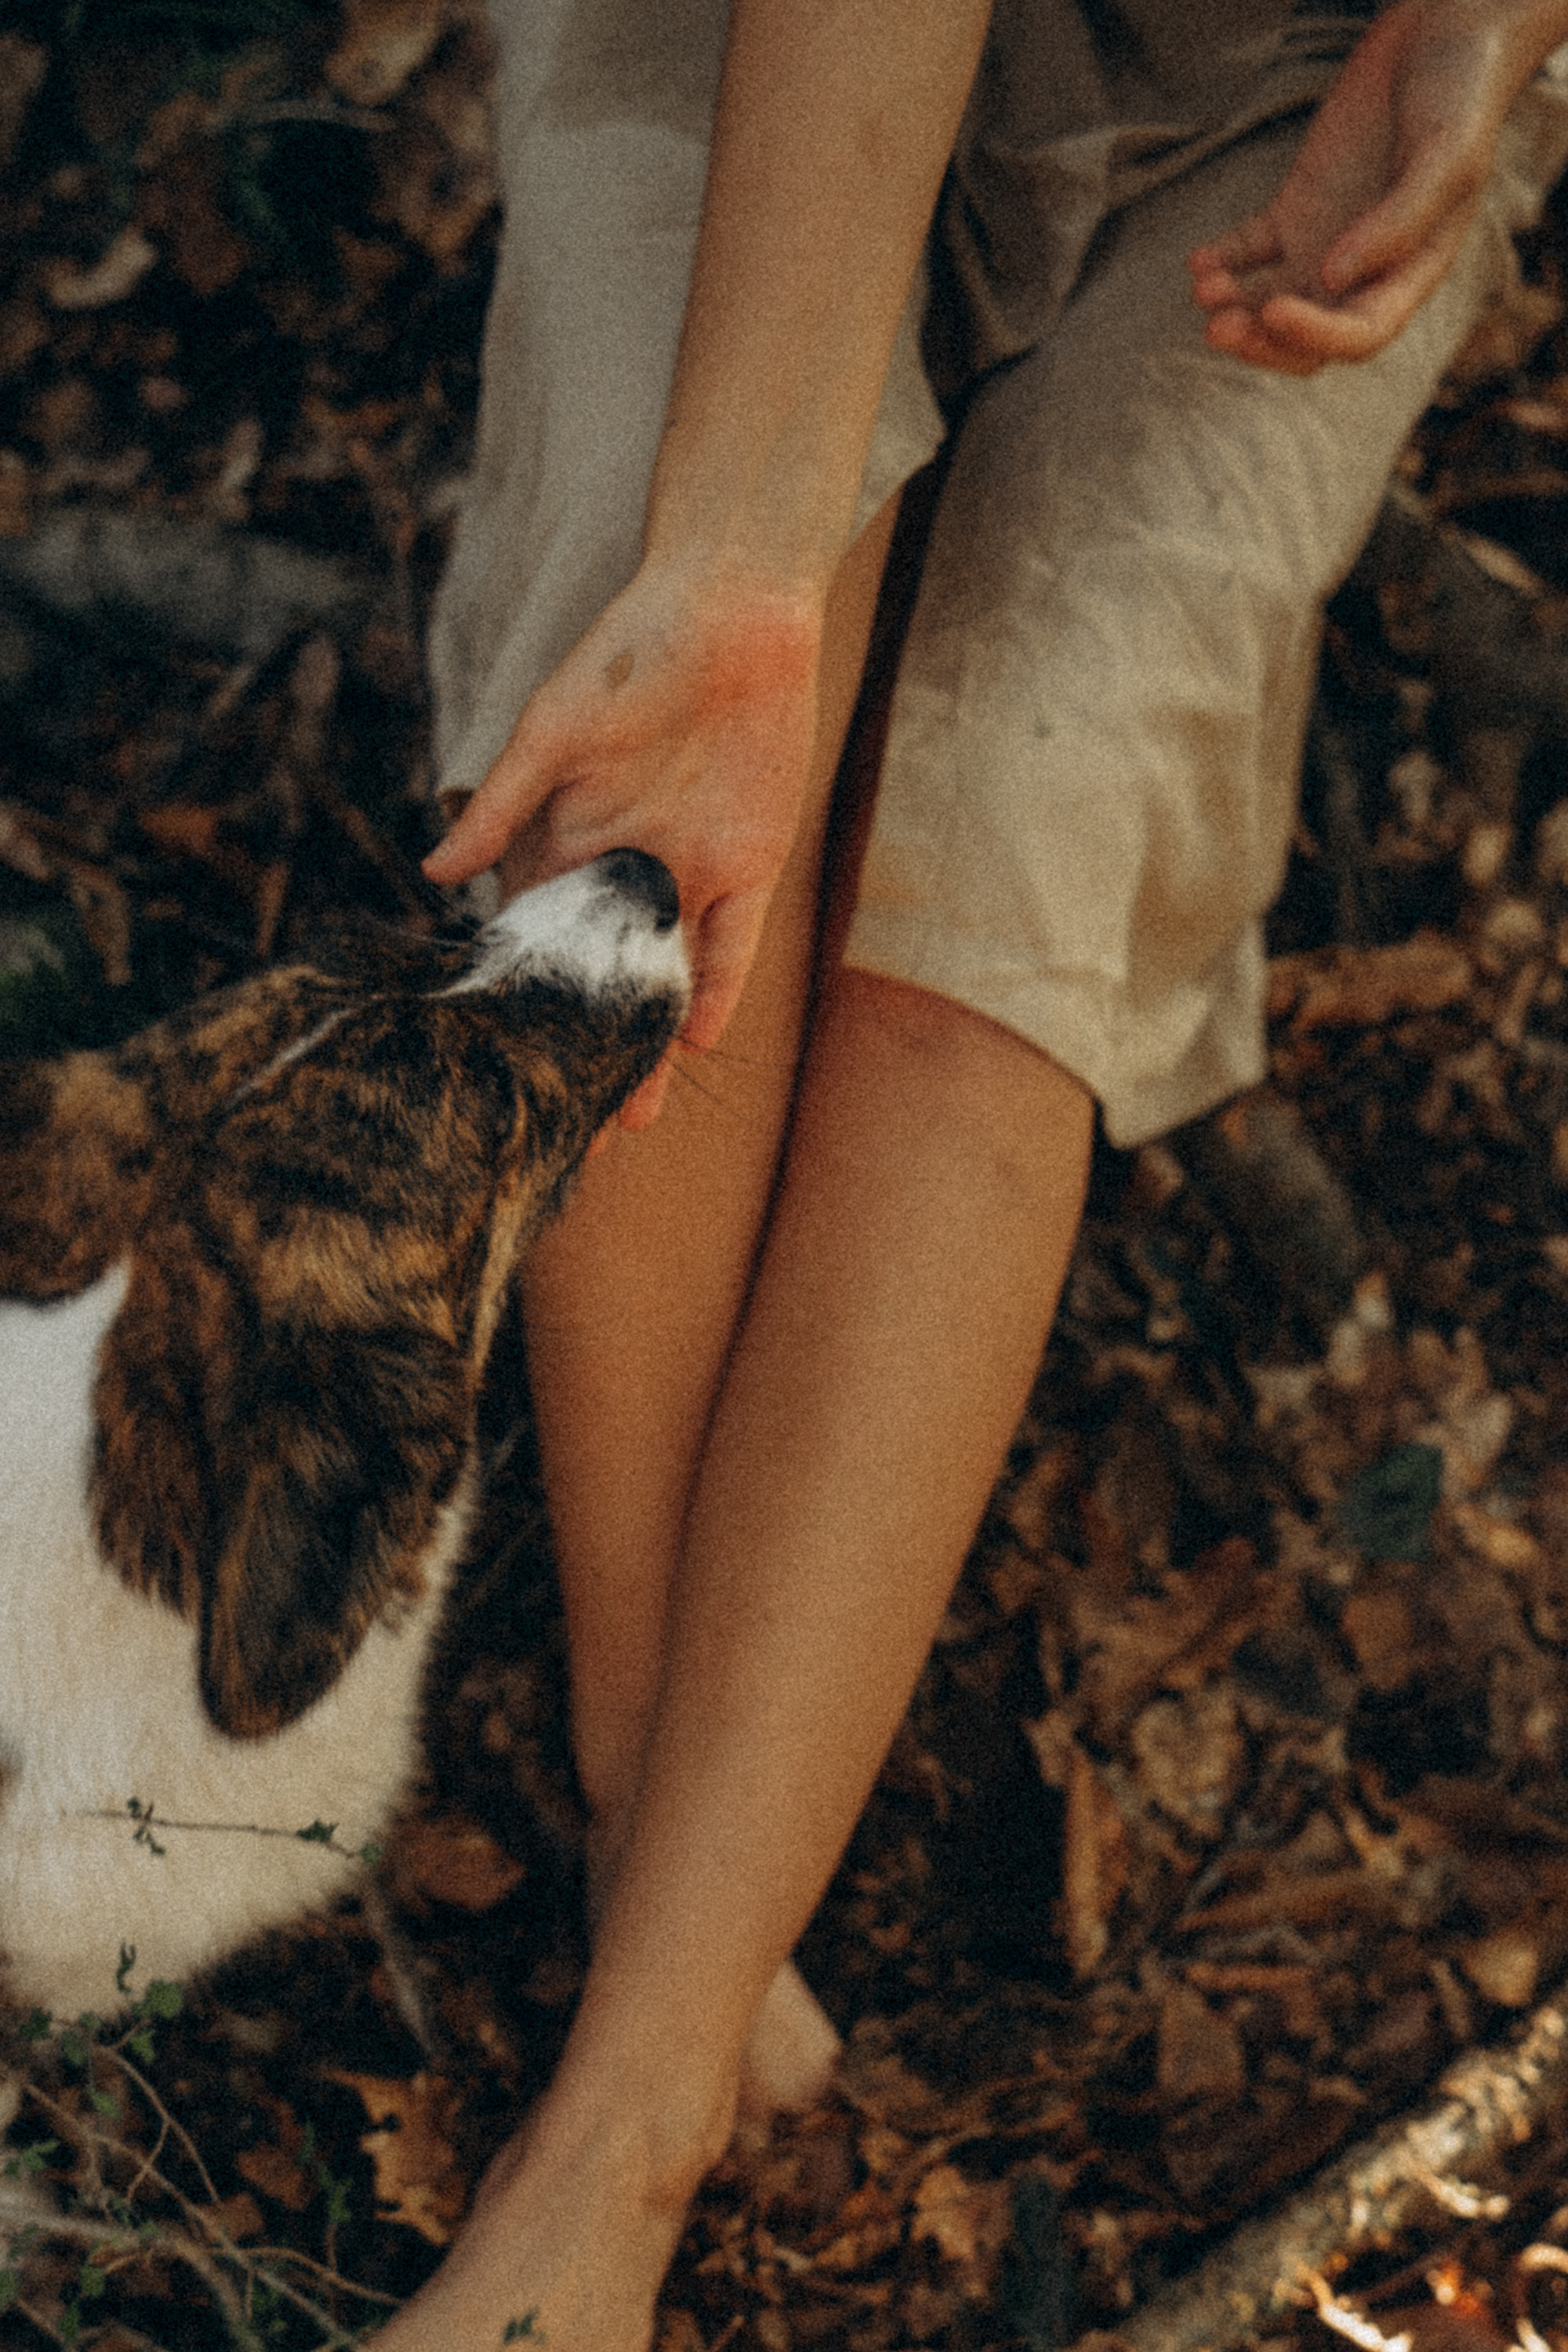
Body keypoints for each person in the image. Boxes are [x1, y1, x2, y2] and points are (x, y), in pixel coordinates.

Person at [378, 5, 1568, 2347]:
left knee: (1037, 805)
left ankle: (629, 2123)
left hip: (1297, 71)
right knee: (662, 727)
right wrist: (737, 582)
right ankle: (656, 1785)